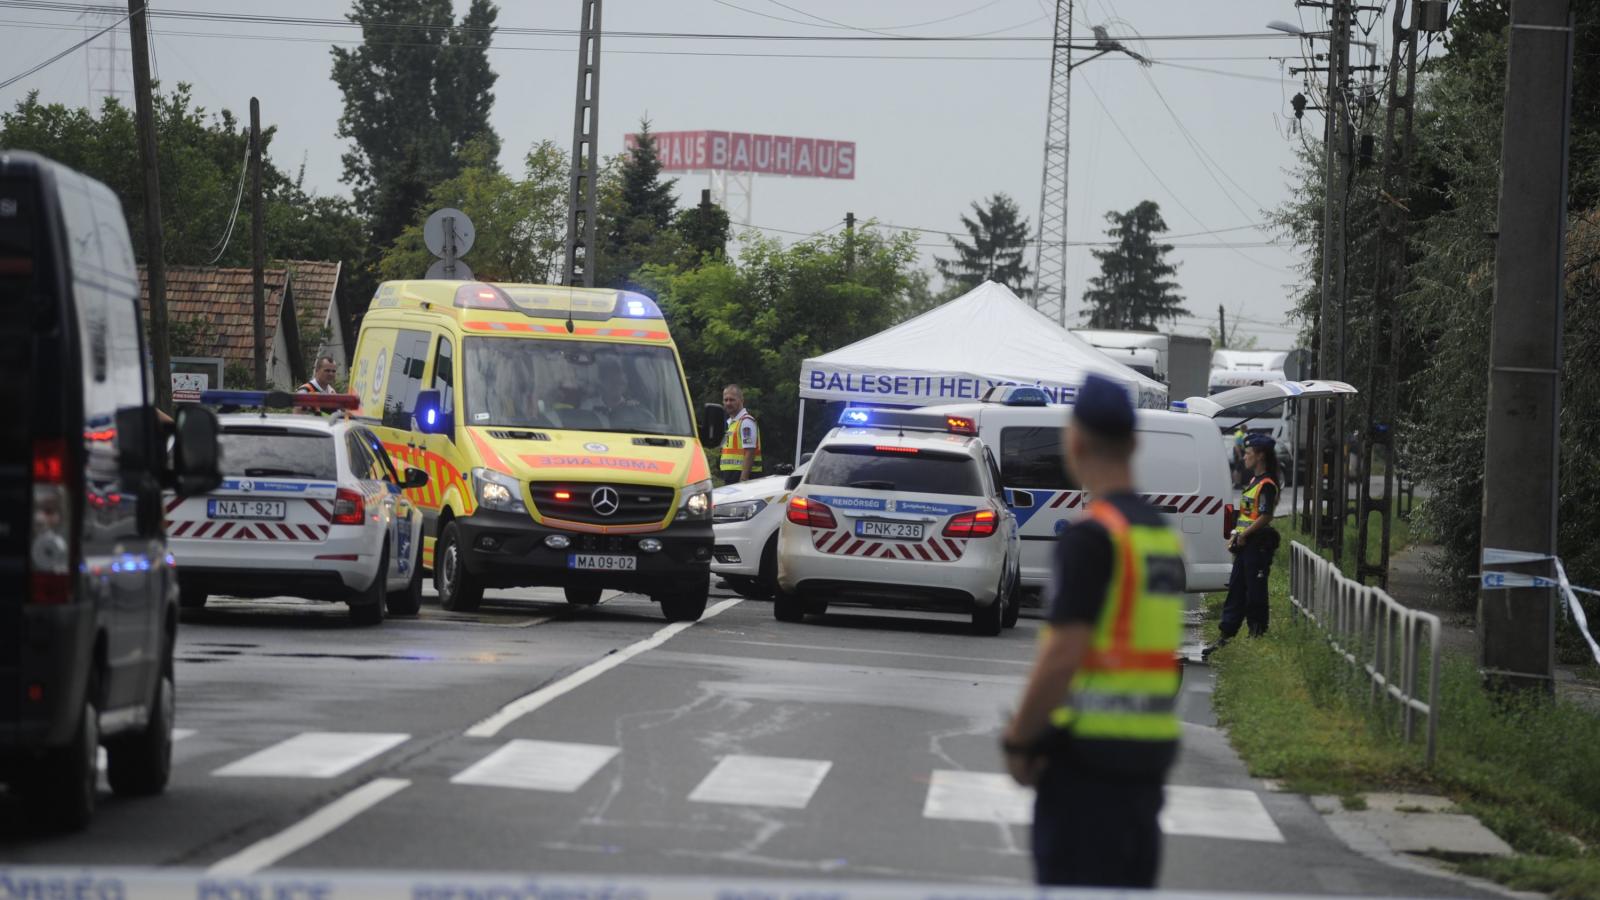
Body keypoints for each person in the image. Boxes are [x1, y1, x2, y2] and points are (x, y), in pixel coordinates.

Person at [1001, 373, 1184, 888]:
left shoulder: (1094, 536)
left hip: (1086, 771)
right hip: (1145, 767)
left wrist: (1020, 740)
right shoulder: (1158, 537)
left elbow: (1063, 655)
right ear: (1135, 443)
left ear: (1074, 441)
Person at [1204, 432, 1282, 657]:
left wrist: (1244, 534)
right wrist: (1238, 535)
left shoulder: (1267, 484)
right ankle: (1225, 636)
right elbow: (1250, 513)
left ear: (1259, 456)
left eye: (1248, 454)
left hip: (1257, 546)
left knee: (1255, 593)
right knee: (1236, 590)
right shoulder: (1253, 481)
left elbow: (1265, 516)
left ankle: (1256, 635)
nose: (1244, 457)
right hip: (1245, 545)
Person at [720, 383, 762, 484]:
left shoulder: (746, 422)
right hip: (731, 476)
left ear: (741, 400)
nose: (728, 403)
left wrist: (743, 480)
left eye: (732, 400)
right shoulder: (731, 423)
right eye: (726, 400)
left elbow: (750, 451)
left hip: (741, 477)